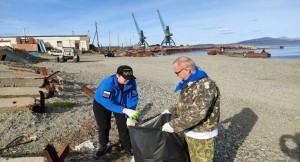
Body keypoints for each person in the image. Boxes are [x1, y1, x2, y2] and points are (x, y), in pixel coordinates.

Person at [161, 56, 220, 162]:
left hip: (202, 133)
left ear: (187, 69)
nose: (177, 76)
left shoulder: (206, 85)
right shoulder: (190, 82)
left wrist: (173, 125)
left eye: (177, 73)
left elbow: (198, 113)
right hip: (189, 128)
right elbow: (184, 103)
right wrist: (170, 110)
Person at [93, 65, 140, 158]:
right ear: (117, 75)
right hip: (101, 104)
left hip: (119, 104)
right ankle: (103, 145)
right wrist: (125, 110)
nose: (127, 81)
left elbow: (132, 98)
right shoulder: (107, 83)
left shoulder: (131, 82)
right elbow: (107, 103)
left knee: (124, 126)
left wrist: (130, 113)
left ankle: (127, 148)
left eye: (129, 79)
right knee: (104, 126)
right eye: (125, 79)